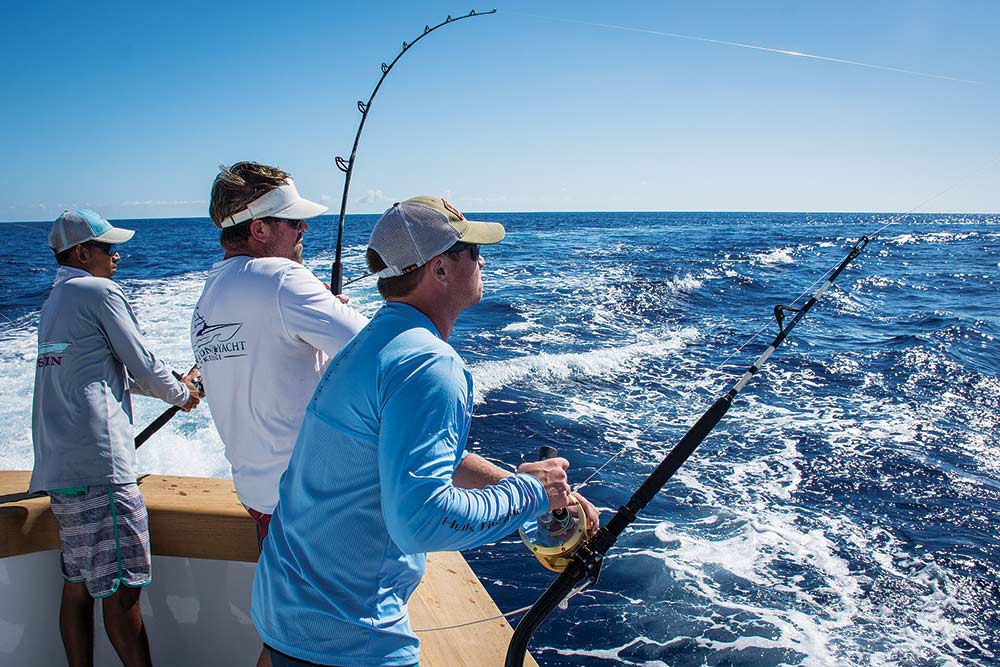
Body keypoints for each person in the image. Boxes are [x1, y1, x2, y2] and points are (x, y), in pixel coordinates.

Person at [251, 196, 600, 667]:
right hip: (347, 638)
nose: (482, 261)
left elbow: (411, 451)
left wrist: (529, 489)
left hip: (290, 612)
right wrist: (529, 493)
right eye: (472, 251)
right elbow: (420, 522)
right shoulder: (428, 364)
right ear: (439, 269)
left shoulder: (373, 344)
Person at [191, 162, 368, 665]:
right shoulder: (282, 279)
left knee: (287, 639)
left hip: (261, 499)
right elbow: (378, 351)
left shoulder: (209, 295)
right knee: (322, 648)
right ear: (260, 228)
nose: (303, 229)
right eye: (292, 221)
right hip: (310, 505)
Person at [31, 209, 202, 667]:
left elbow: (112, 373)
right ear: (83, 252)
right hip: (101, 468)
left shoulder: (55, 302)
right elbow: (142, 364)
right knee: (123, 589)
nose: (117, 256)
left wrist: (178, 390)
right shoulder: (99, 291)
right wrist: (185, 394)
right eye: (107, 248)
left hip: (59, 469)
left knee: (81, 584)